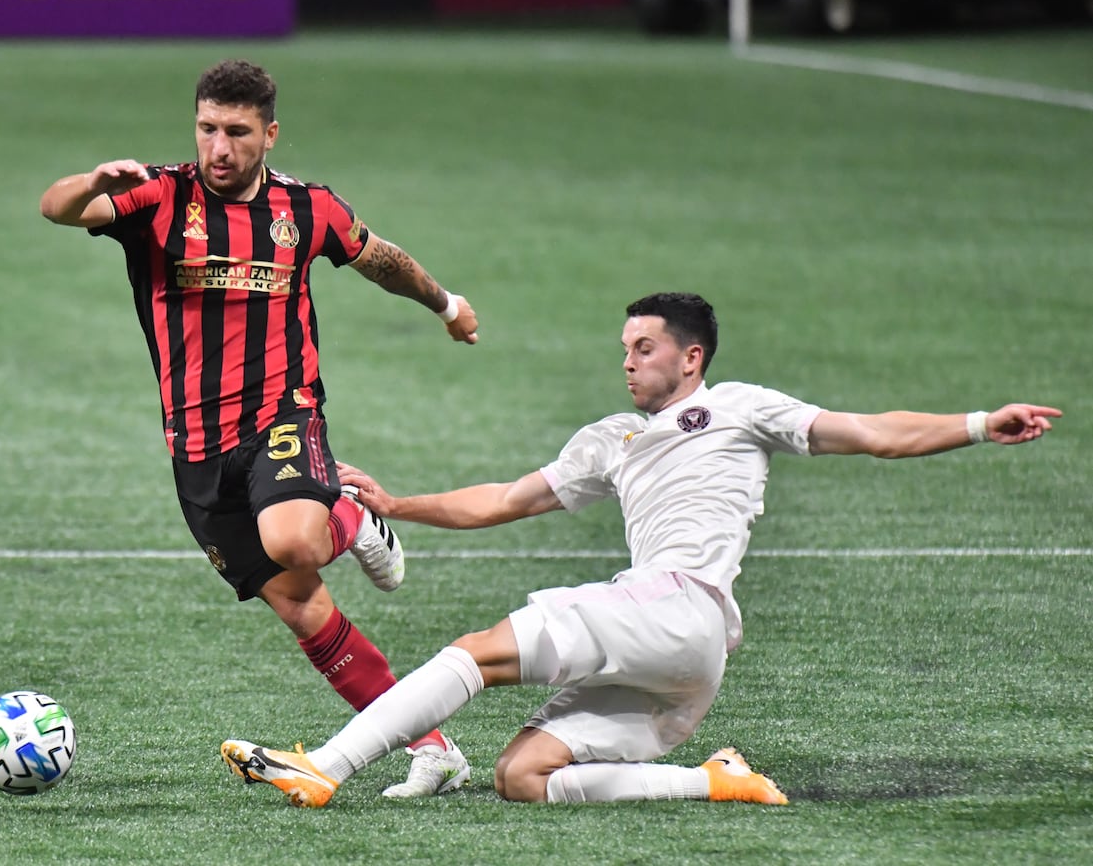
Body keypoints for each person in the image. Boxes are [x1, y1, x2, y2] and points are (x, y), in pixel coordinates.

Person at [222, 291, 1060, 808]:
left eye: (644, 347)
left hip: (673, 602)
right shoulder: (611, 439)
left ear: (691, 358)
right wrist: (398, 503)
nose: (627, 361)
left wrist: (980, 425)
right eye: (623, 348)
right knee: (523, 776)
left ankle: (324, 769)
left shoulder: (736, 406)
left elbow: (871, 432)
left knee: (476, 654)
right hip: (683, 655)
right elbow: (509, 500)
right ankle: (717, 780)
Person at [40, 59, 480, 797]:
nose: (219, 148)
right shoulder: (154, 196)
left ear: (269, 134)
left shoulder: (305, 209)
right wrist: (92, 183)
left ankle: (348, 517)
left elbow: (382, 261)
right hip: (195, 453)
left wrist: (445, 304)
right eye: (208, 129)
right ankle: (433, 750)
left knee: (295, 540)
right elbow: (54, 208)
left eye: (237, 133)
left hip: (282, 415)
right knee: (304, 607)